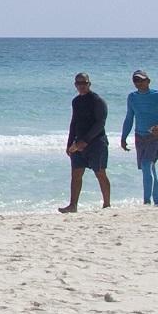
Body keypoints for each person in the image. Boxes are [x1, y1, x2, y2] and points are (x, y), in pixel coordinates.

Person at [122, 70, 158, 205]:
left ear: (148, 81)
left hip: (155, 136)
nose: (139, 83)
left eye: (141, 80)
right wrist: (123, 137)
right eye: (136, 80)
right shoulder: (132, 97)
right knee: (149, 168)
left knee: (147, 165)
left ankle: (146, 202)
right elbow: (129, 118)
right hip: (139, 136)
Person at [60, 72, 111, 211]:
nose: (81, 86)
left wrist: (86, 141)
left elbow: (100, 123)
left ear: (89, 84)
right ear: (75, 85)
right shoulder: (76, 101)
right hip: (78, 143)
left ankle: (107, 204)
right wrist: (70, 143)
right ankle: (73, 205)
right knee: (76, 174)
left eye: (84, 83)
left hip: (96, 143)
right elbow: (74, 122)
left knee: (100, 173)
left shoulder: (97, 100)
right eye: (79, 83)